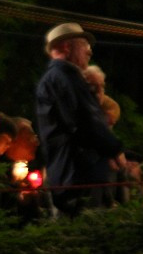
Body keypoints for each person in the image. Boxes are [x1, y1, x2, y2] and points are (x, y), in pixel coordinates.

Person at [36, 23, 125, 215]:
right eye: (84, 45)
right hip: (78, 174)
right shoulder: (64, 78)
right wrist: (114, 148)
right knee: (84, 229)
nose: (89, 51)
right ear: (67, 47)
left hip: (71, 173)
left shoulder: (61, 77)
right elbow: (85, 121)